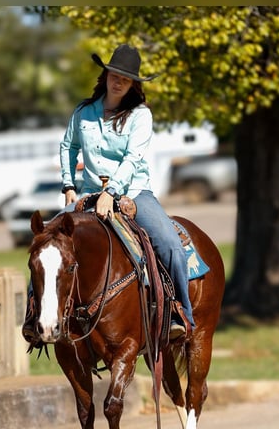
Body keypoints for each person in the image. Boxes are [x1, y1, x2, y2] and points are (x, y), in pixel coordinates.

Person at [23, 44, 192, 345]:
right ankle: (34, 318)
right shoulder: (83, 112)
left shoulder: (140, 116)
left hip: (133, 192)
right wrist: (68, 185)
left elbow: (133, 158)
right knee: (44, 244)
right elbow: (67, 147)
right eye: (115, 74)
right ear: (107, 74)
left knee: (170, 245)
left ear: (133, 84)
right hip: (87, 193)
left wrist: (111, 192)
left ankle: (180, 315)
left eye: (126, 79)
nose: (118, 82)